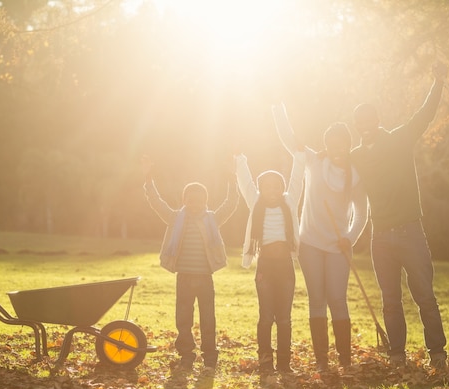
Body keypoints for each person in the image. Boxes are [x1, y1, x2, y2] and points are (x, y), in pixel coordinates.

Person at [350, 62, 448, 370]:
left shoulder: (400, 138)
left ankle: (437, 354)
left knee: (424, 296)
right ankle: (397, 356)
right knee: (390, 299)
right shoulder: (356, 156)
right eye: (359, 122)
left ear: (377, 120)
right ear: (356, 126)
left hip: (410, 232)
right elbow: (332, 163)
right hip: (381, 237)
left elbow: (424, 114)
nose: (364, 126)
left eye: (368, 120)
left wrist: (439, 82)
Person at [272, 105, 369, 372]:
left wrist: (350, 237)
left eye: (341, 145)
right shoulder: (314, 162)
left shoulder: (355, 175)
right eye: (331, 144)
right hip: (310, 244)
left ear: (348, 145)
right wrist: (278, 107)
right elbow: (288, 138)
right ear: (325, 144)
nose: (336, 149)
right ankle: (322, 362)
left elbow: (362, 211)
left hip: (338, 247)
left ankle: (345, 361)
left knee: (337, 298)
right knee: (317, 298)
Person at [142, 155, 239, 372]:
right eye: (190, 200)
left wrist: (232, 177)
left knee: (208, 319)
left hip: (205, 278)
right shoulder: (175, 218)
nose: (195, 204)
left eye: (199, 200)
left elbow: (231, 204)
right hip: (184, 277)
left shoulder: (212, 219)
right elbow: (156, 203)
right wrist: (148, 179)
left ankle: (210, 357)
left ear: (206, 201)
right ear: (184, 200)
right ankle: (186, 355)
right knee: (183, 319)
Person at [234, 149, 305, 374]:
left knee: (284, 317)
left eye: (277, 187)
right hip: (265, 266)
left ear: (283, 189)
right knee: (266, 316)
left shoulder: (290, 201)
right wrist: (240, 159)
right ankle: (265, 362)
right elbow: (245, 181)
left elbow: (297, 179)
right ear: (260, 189)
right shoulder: (255, 202)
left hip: (285, 267)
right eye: (267, 187)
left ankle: (284, 363)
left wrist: (299, 156)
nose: (272, 191)